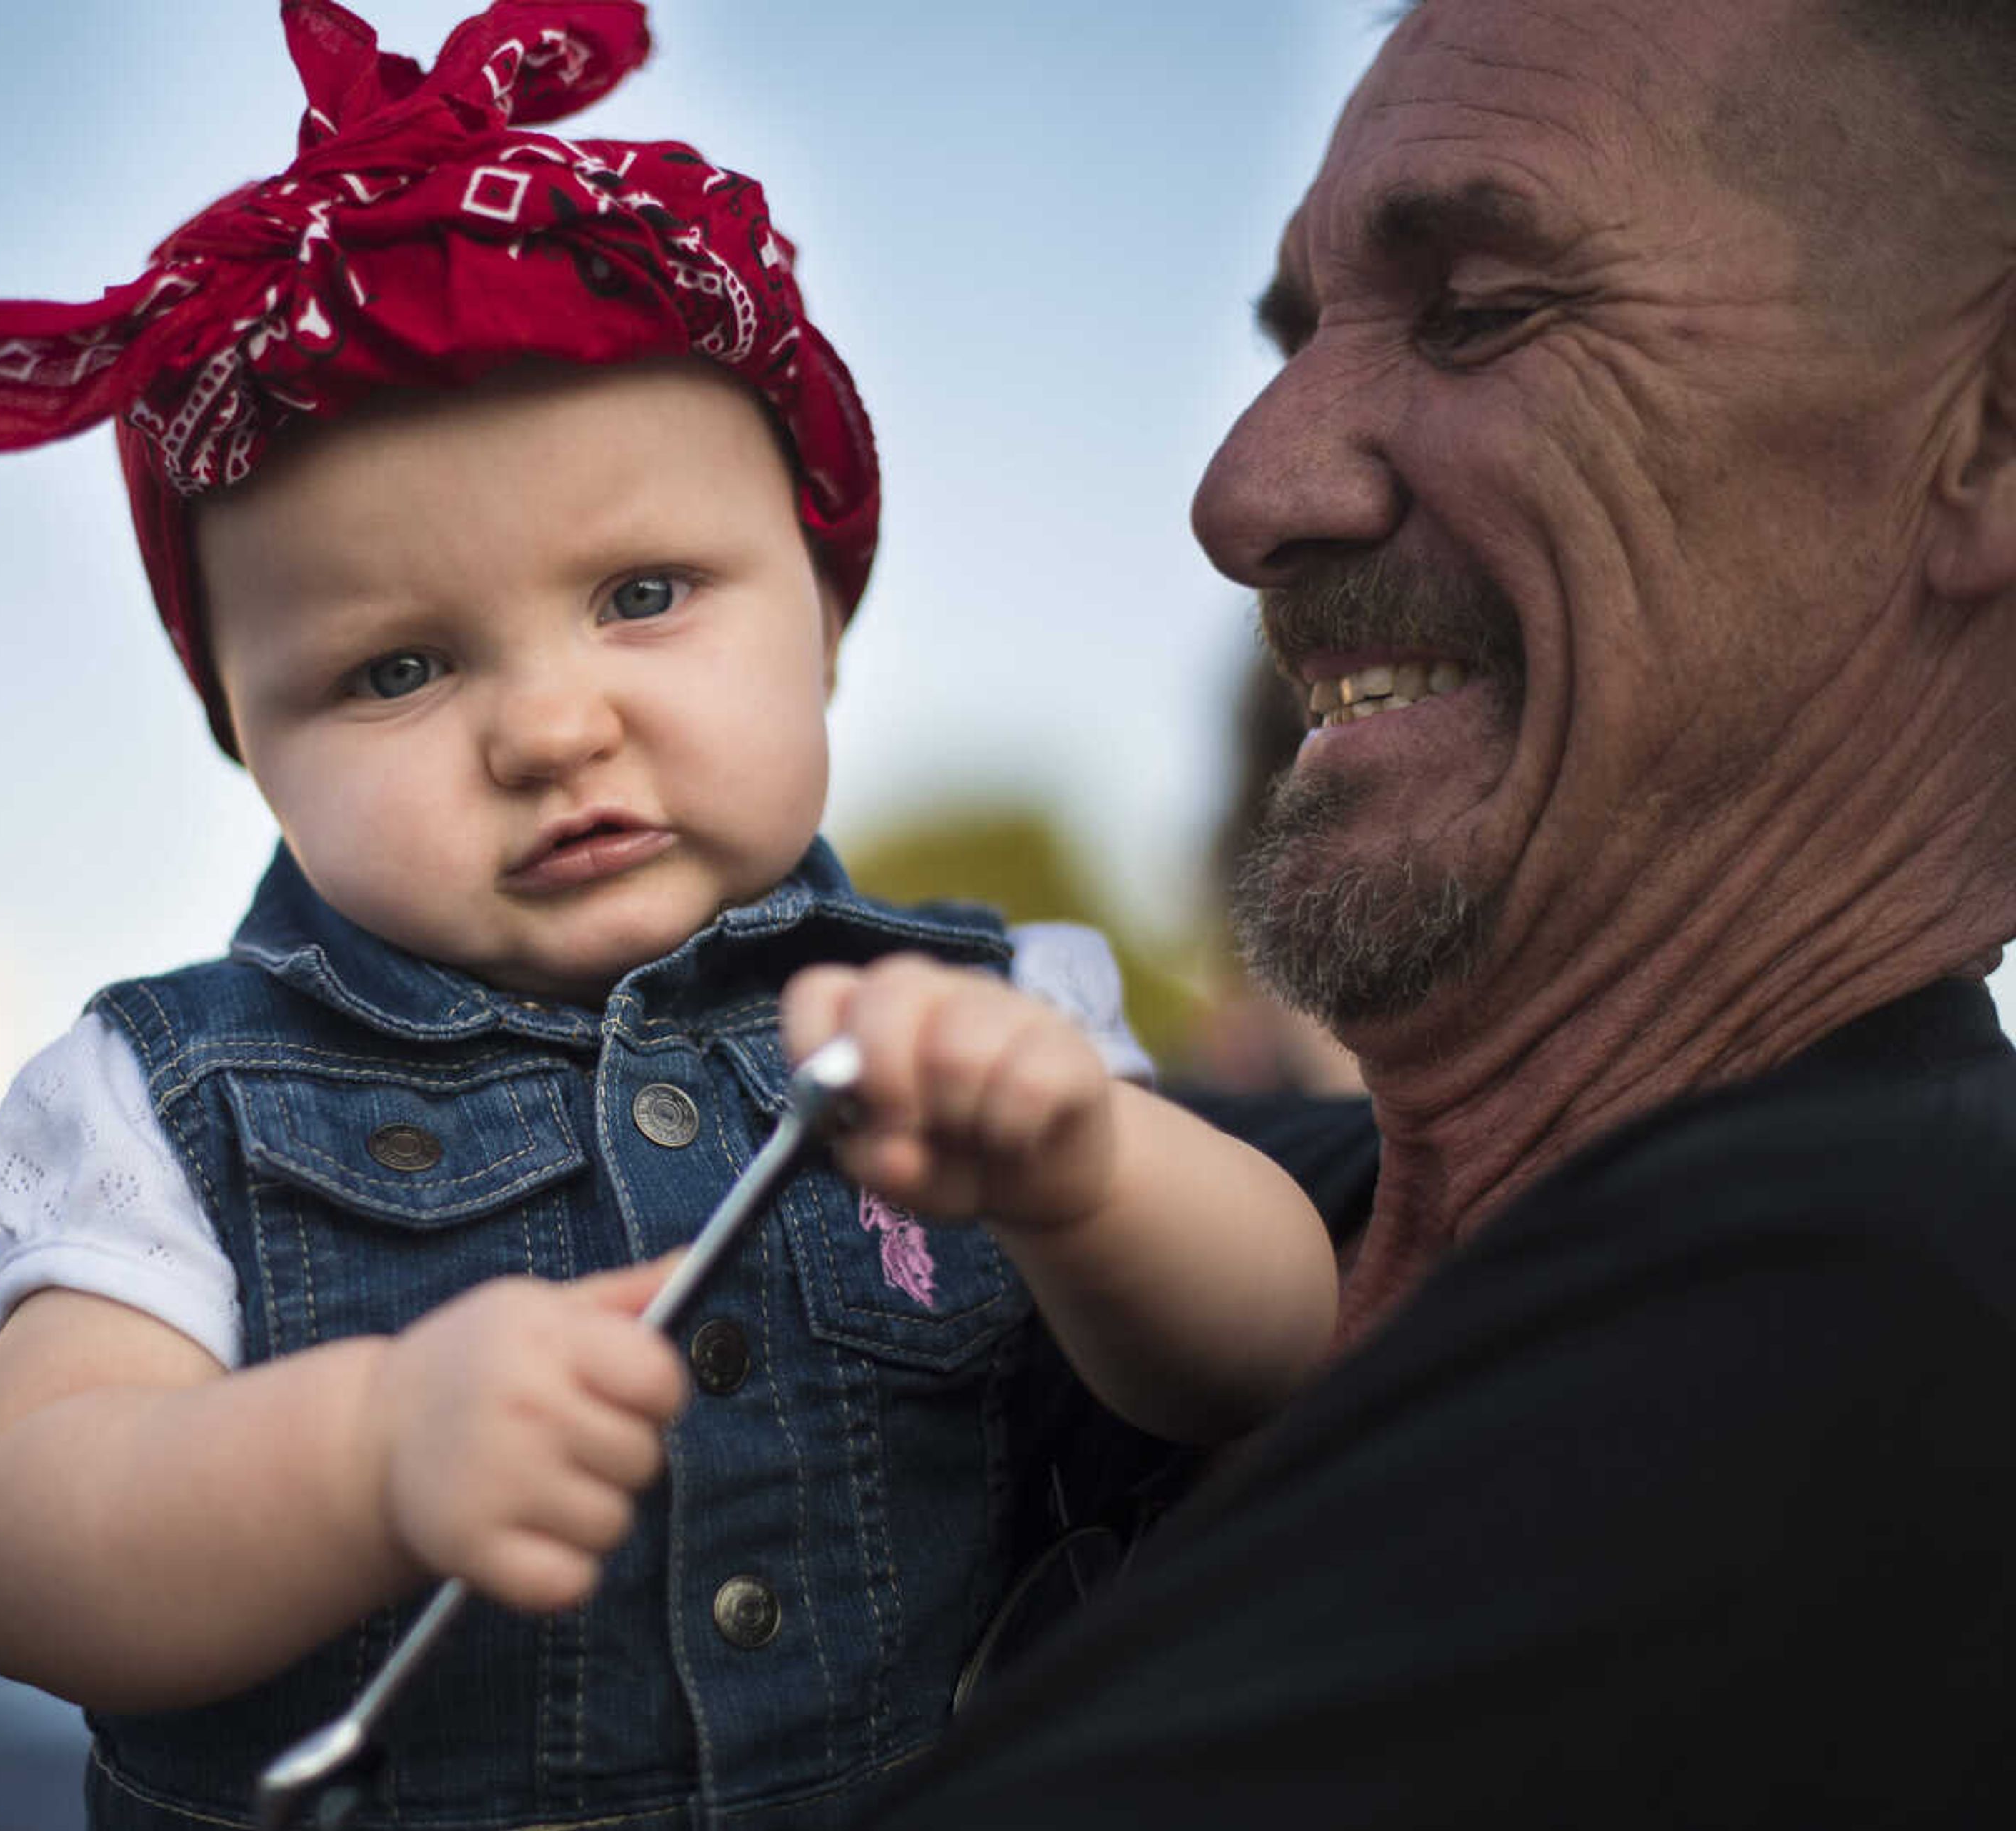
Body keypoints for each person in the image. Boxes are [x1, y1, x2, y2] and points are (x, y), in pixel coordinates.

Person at [0, 4, 1334, 1827]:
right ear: (249, 743)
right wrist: (366, 1454)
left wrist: (1087, 1176)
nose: (549, 727)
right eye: (395, 666)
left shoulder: (993, 1007)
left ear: (825, 609)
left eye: (642, 592)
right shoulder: (182, 1099)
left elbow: (1269, 1345)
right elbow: (24, 1544)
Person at [789, 0, 2016, 1822]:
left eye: (1482, 308)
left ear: (1983, 441)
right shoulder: (1183, 1202)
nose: (1246, 493)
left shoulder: (1886, 1342)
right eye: (1299, 333)